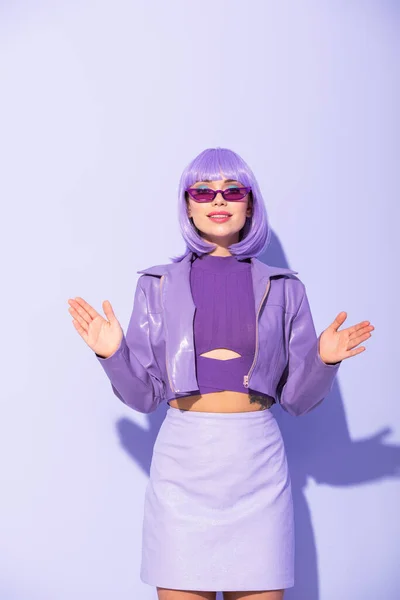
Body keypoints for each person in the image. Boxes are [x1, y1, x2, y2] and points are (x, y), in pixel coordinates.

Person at [67, 147, 374, 600]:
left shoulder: (285, 287)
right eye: (203, 191)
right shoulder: (156, 285)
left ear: (249, 204)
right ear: (187, 205)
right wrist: (113, 355)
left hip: (257, 465)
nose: (218, 200)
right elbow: (144, 397)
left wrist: (324, 361)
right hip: (182, 465)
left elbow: (298, 401)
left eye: (232, 190)